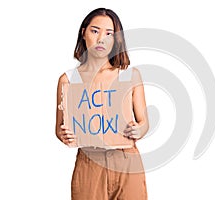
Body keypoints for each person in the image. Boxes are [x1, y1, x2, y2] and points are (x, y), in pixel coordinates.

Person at [55, 8, 149, 200]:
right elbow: (59, 128)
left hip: (126, 160)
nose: (101, 39)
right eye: (95, 31)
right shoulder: (69, 80)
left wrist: (139, 130)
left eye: (109, 34)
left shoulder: (129, 76)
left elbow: (144, 122)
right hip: (89, 161)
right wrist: (64, 135)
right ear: (84, 33)